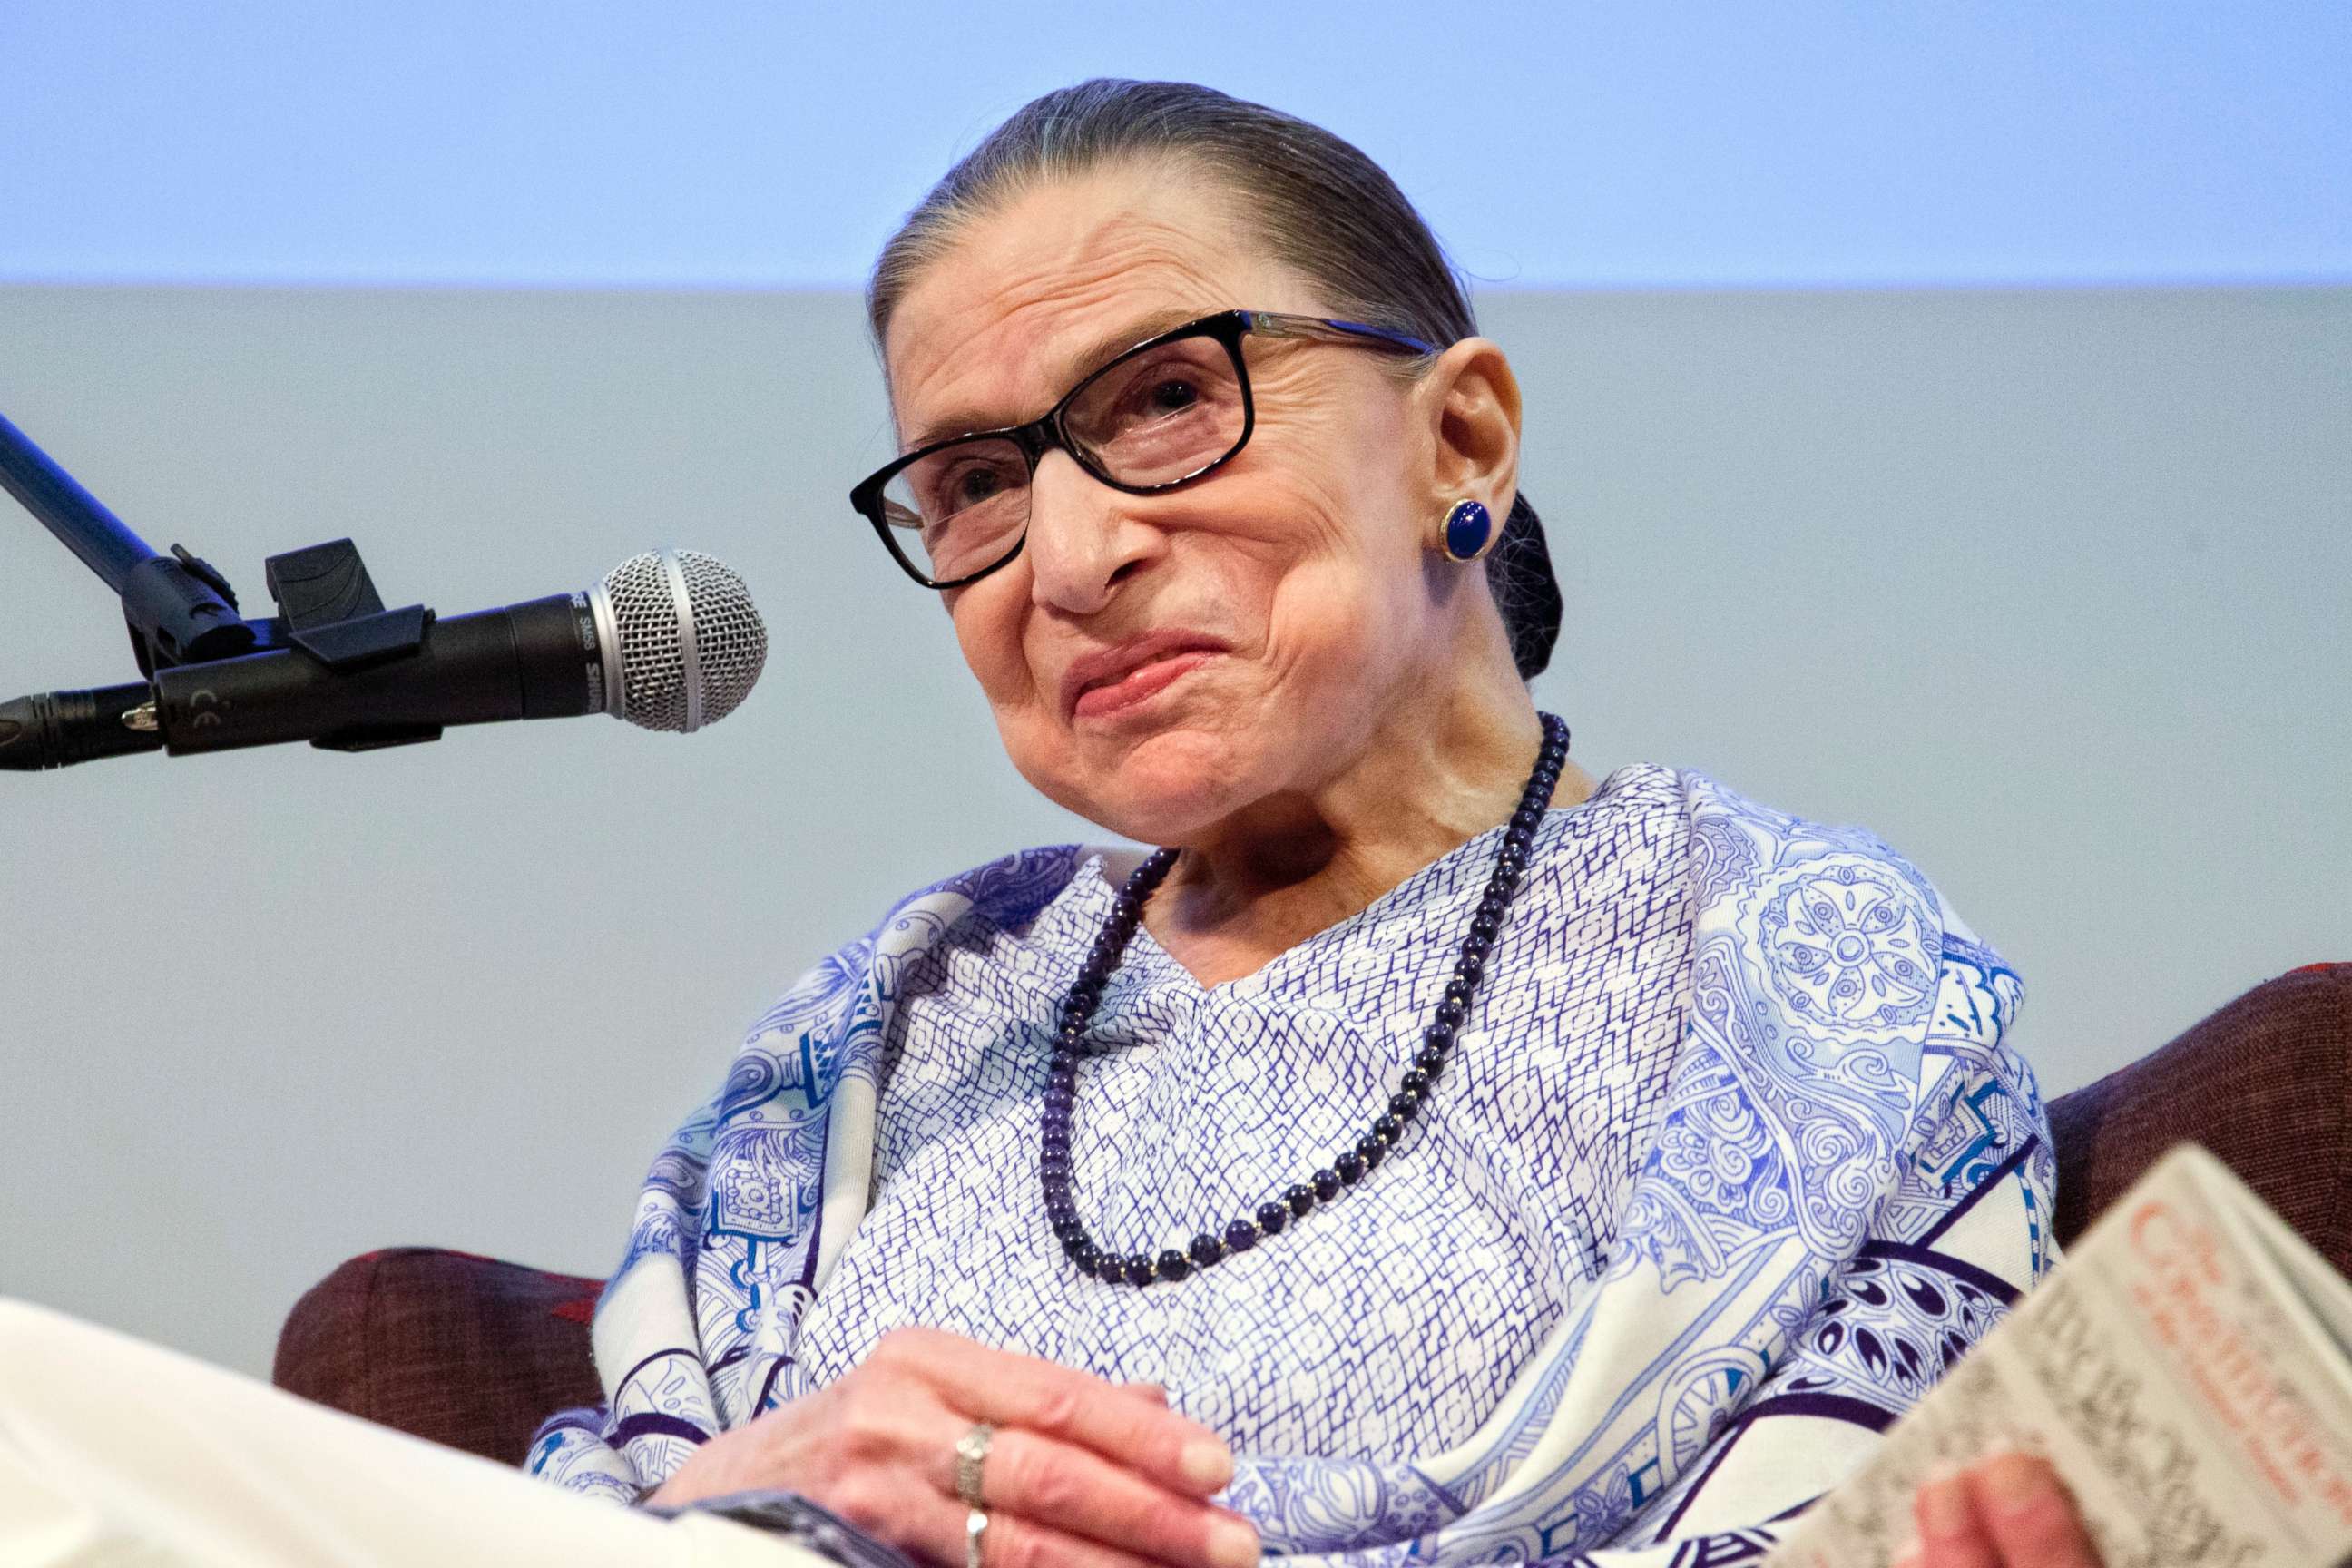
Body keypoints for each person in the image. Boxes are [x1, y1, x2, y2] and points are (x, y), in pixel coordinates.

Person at [0, 76, 2102, 1568]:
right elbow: (586, 1508)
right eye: (977, 484)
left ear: (1460, 431)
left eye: (1166, 398)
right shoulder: (913, 1012)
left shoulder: (1776, 955)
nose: (1068, 553)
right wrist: (769, 1479)